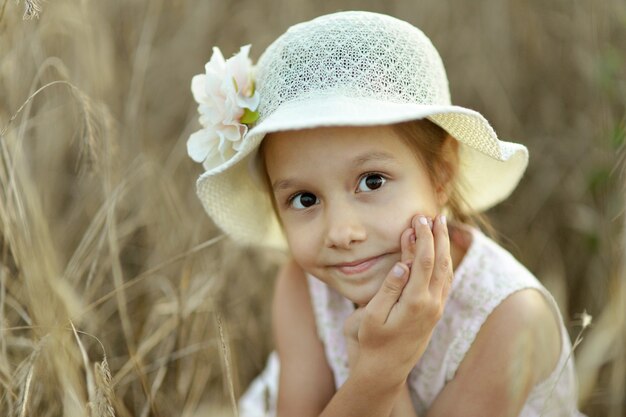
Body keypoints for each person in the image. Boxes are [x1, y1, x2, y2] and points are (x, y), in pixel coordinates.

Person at [187, 11, 584, 417]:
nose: (341, 232)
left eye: (372, 182)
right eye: (305, 199)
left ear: (441, 173)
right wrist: (378, 374)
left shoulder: (507, 318)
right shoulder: (306, 286)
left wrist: (384, 369)